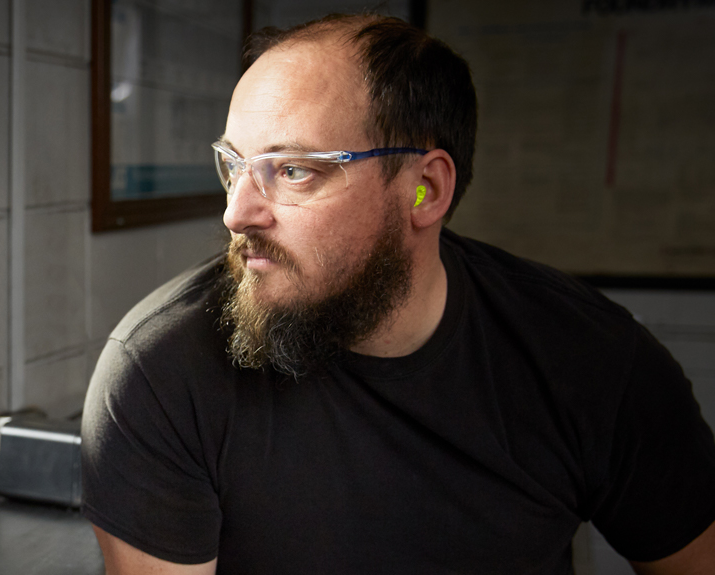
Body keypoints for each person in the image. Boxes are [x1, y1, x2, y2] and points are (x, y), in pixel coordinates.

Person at [79, 13, 715, 575]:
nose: (237, 212)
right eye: (234, 165)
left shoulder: (592, 360)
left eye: (294, 170)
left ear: (425, 190)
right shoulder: (162, 373)